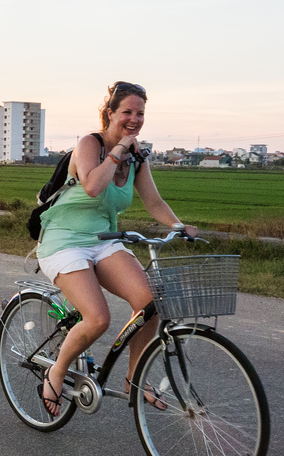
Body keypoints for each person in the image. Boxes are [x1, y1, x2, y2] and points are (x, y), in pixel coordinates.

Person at [35, 81, 198, 416]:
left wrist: (178, 226)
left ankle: (134, 378)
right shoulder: (89, 144)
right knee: (98, 319)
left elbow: (154, 201)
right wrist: (120, 147)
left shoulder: (138, 159)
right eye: (127, 112)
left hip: (104, 241)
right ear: (110, 113)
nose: (134, 119)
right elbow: (93, 186)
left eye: (140, 113)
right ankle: (57, 370)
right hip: (63, 242)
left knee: (150, 303)